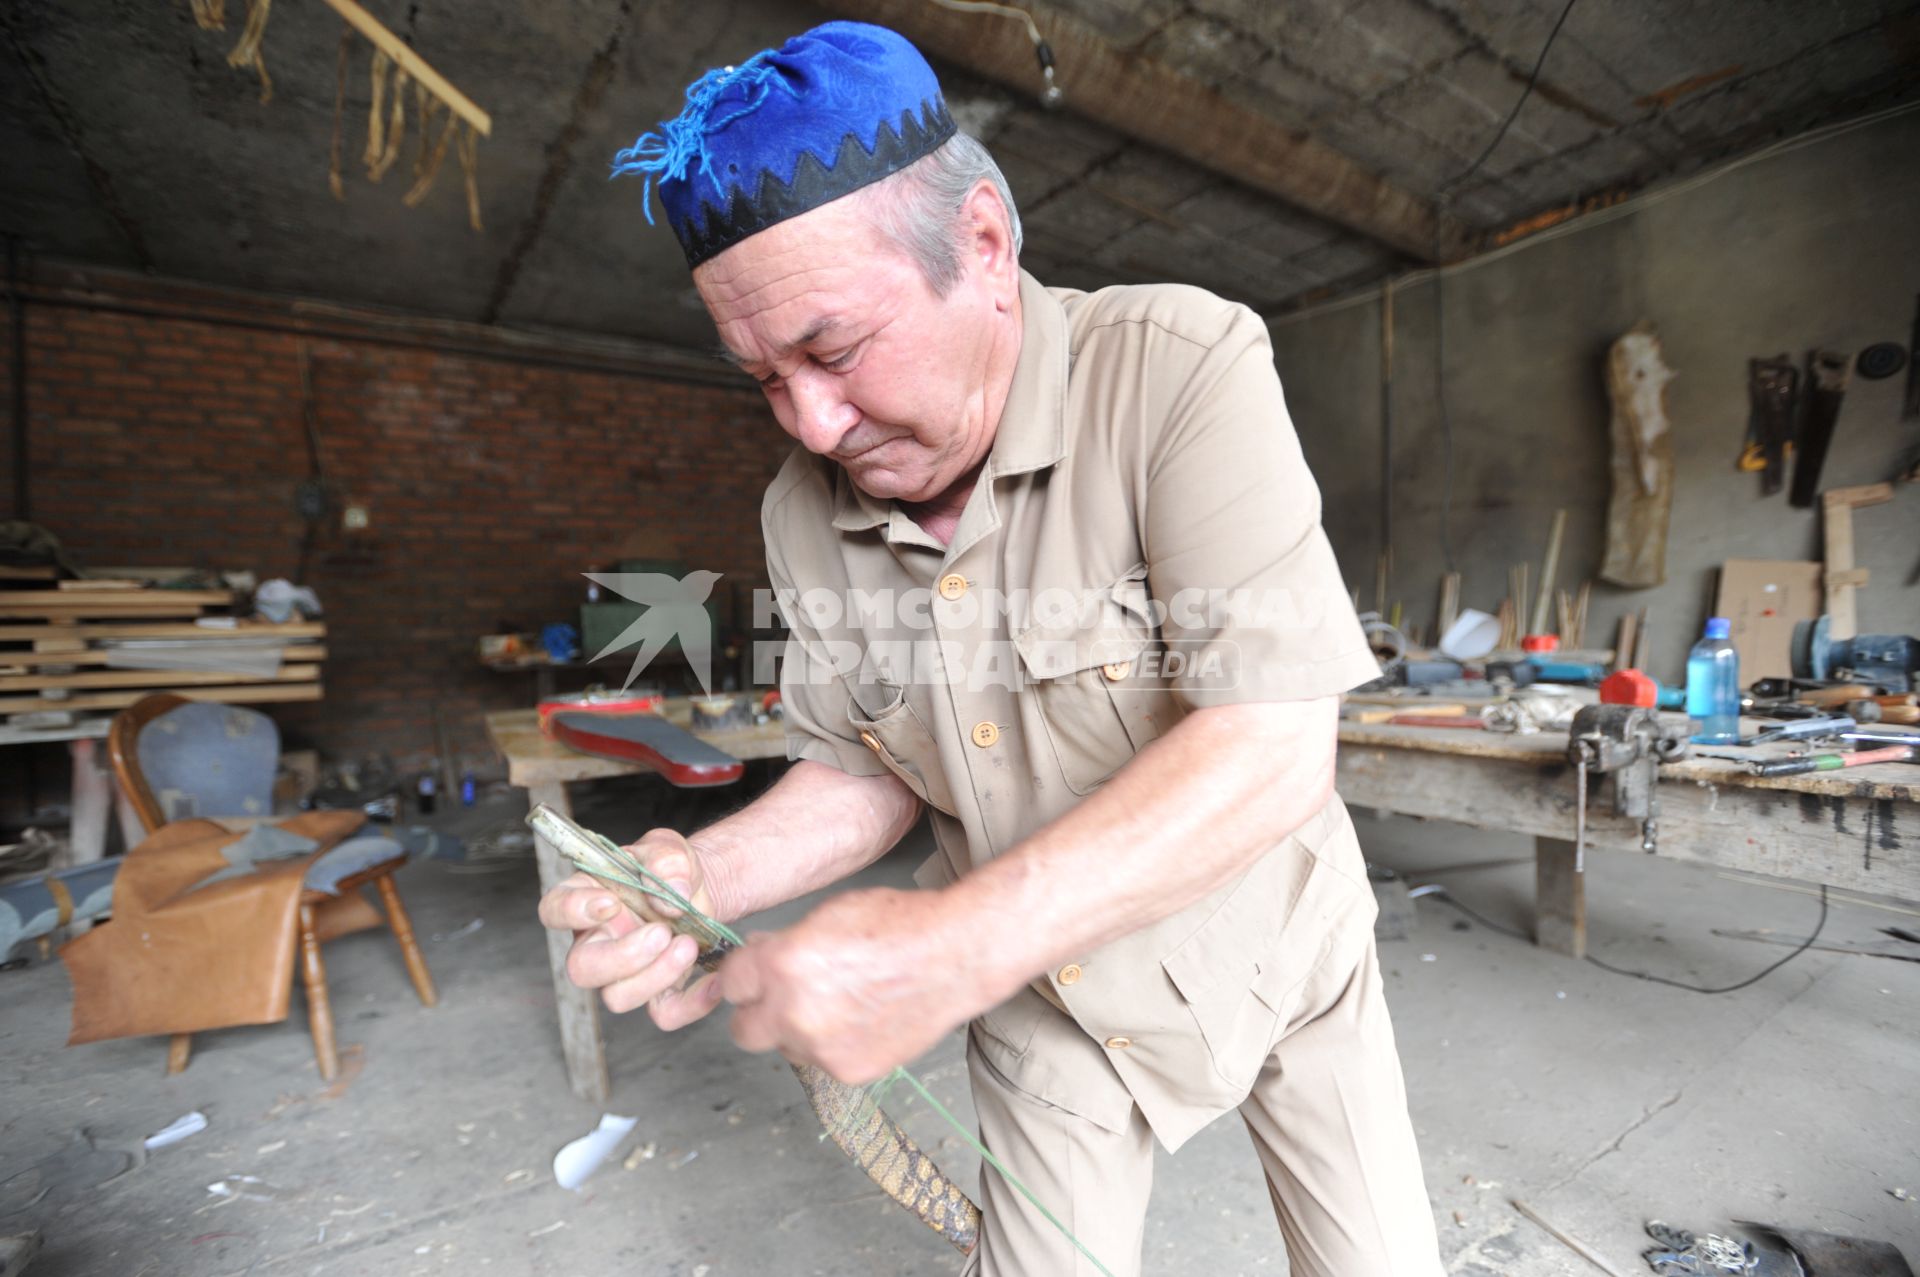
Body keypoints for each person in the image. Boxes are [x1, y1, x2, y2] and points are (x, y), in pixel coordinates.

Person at [538, 21, 1443, 1275]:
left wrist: (947, 946)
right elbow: (866, 764)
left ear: (984, 245)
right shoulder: (801, 508)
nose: (813, 420)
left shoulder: (1181, 367)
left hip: (1274, 944)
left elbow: (1275, 738)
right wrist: (704, 873)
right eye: (761, 377)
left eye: (834, 349)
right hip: (1047, 997)